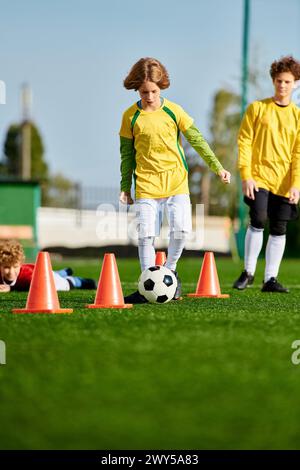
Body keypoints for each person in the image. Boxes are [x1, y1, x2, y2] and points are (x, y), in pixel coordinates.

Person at [119, 57, 231, 303]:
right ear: (137, 88)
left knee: (181, 230)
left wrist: (218, 167)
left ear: (162, 87)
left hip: (176, 182)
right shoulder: (130, 117)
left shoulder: (174, 111)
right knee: (145, 235)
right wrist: (125, 187)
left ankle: (170, 271)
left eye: (154, 91)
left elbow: (197, 140)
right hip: (147, 184)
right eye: (144, 91)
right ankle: (144, 284)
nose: (149, 96)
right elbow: (126, 155)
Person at [233, 55, 300, 293]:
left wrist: (296, 184)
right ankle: (248, 272)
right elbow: (244, 142)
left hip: (285, 182)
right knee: (259, 218)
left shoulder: (297, 116)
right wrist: (246, 175)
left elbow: (298, 153)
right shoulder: (257, 108)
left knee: (279, 227)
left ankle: (270, 279)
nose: (282, 85)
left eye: (287, 82)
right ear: (273, 81)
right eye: (279, 81)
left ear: (296, 84)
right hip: (258, 177)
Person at [0, 239, 97, 292]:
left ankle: (78, 280)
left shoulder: (29, 276)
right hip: (38, 269)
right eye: (6, 267)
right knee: (53, 273)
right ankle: (63, 272)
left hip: (45, 277)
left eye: (15, 267)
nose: (11, 272)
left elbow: (33, 287)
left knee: (65, 284)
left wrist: (11, 288)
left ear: (20, 264)